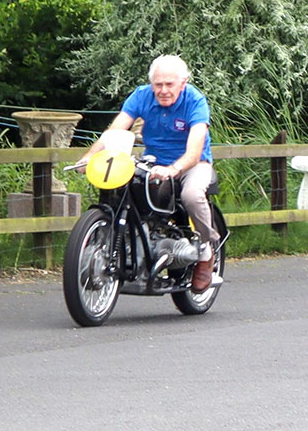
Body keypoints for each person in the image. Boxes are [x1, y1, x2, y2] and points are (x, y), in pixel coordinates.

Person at [77, 55, 219, 293]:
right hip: (153, 161)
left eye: (169, 84)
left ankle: (206, 250)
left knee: (192, 195)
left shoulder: (195, 101)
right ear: (151, 84)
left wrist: (173, 169)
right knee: (122, 187)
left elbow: (194, 152)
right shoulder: (141, 95)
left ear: (183, 83)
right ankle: (129, 245)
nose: (163, 90)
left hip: (191, 164)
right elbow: (116, 130)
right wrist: (91, 156)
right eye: (158, 84)